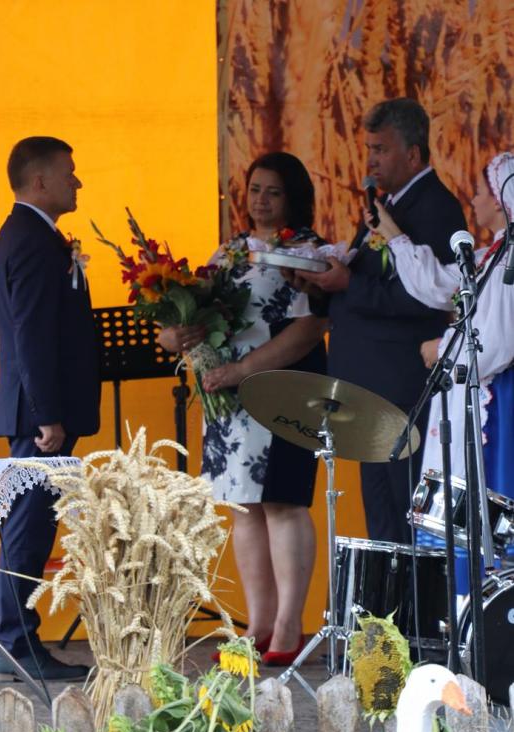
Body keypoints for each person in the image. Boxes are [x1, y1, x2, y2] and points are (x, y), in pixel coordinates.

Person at [159, 152, 329, 664]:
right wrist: (175, 333)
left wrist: (243, 369)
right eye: (255, 189)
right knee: (243, 507)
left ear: (293, 197)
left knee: (283, 503)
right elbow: (191, 316)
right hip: (229, 398)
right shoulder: (230, 251)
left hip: (283, 386)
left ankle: (288, 628)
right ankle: (257, 625)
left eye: (273, 191)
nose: (261, 200)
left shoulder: (308, 253)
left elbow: (309, 329)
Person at [288, 98, 466, 544]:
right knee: (382, 520)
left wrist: (349, 283)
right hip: (371, 386)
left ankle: (411, 593)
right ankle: (388, 594)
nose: (371, 161)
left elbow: (428, 299)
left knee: (405, 514)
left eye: (381, 150)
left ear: (413, 153)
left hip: (402, 384)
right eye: (369, 149)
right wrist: (319, 284)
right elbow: (367, 279)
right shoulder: (386, 204)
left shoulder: (436, 207)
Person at [0, 136, 101, 680]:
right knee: (27, 528)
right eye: (69, 172)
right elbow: (31, 335)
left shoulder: (34, 235)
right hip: (39, 416)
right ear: (40, 181)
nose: (77, 181)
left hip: (42, 410)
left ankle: (18, 639)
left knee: (32, 526)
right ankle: (17, 642)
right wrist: (46, 415)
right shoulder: (31, 240)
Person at [367, 151, 514, 500]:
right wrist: (391, 232)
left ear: (498, 200)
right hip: (479, 390)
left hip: (499, 399)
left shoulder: (509, 261)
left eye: (479, 192)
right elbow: (437, 284)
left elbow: (498, 341)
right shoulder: (493, 256)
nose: (473, 200)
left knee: (490, 499)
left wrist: (444, 348)